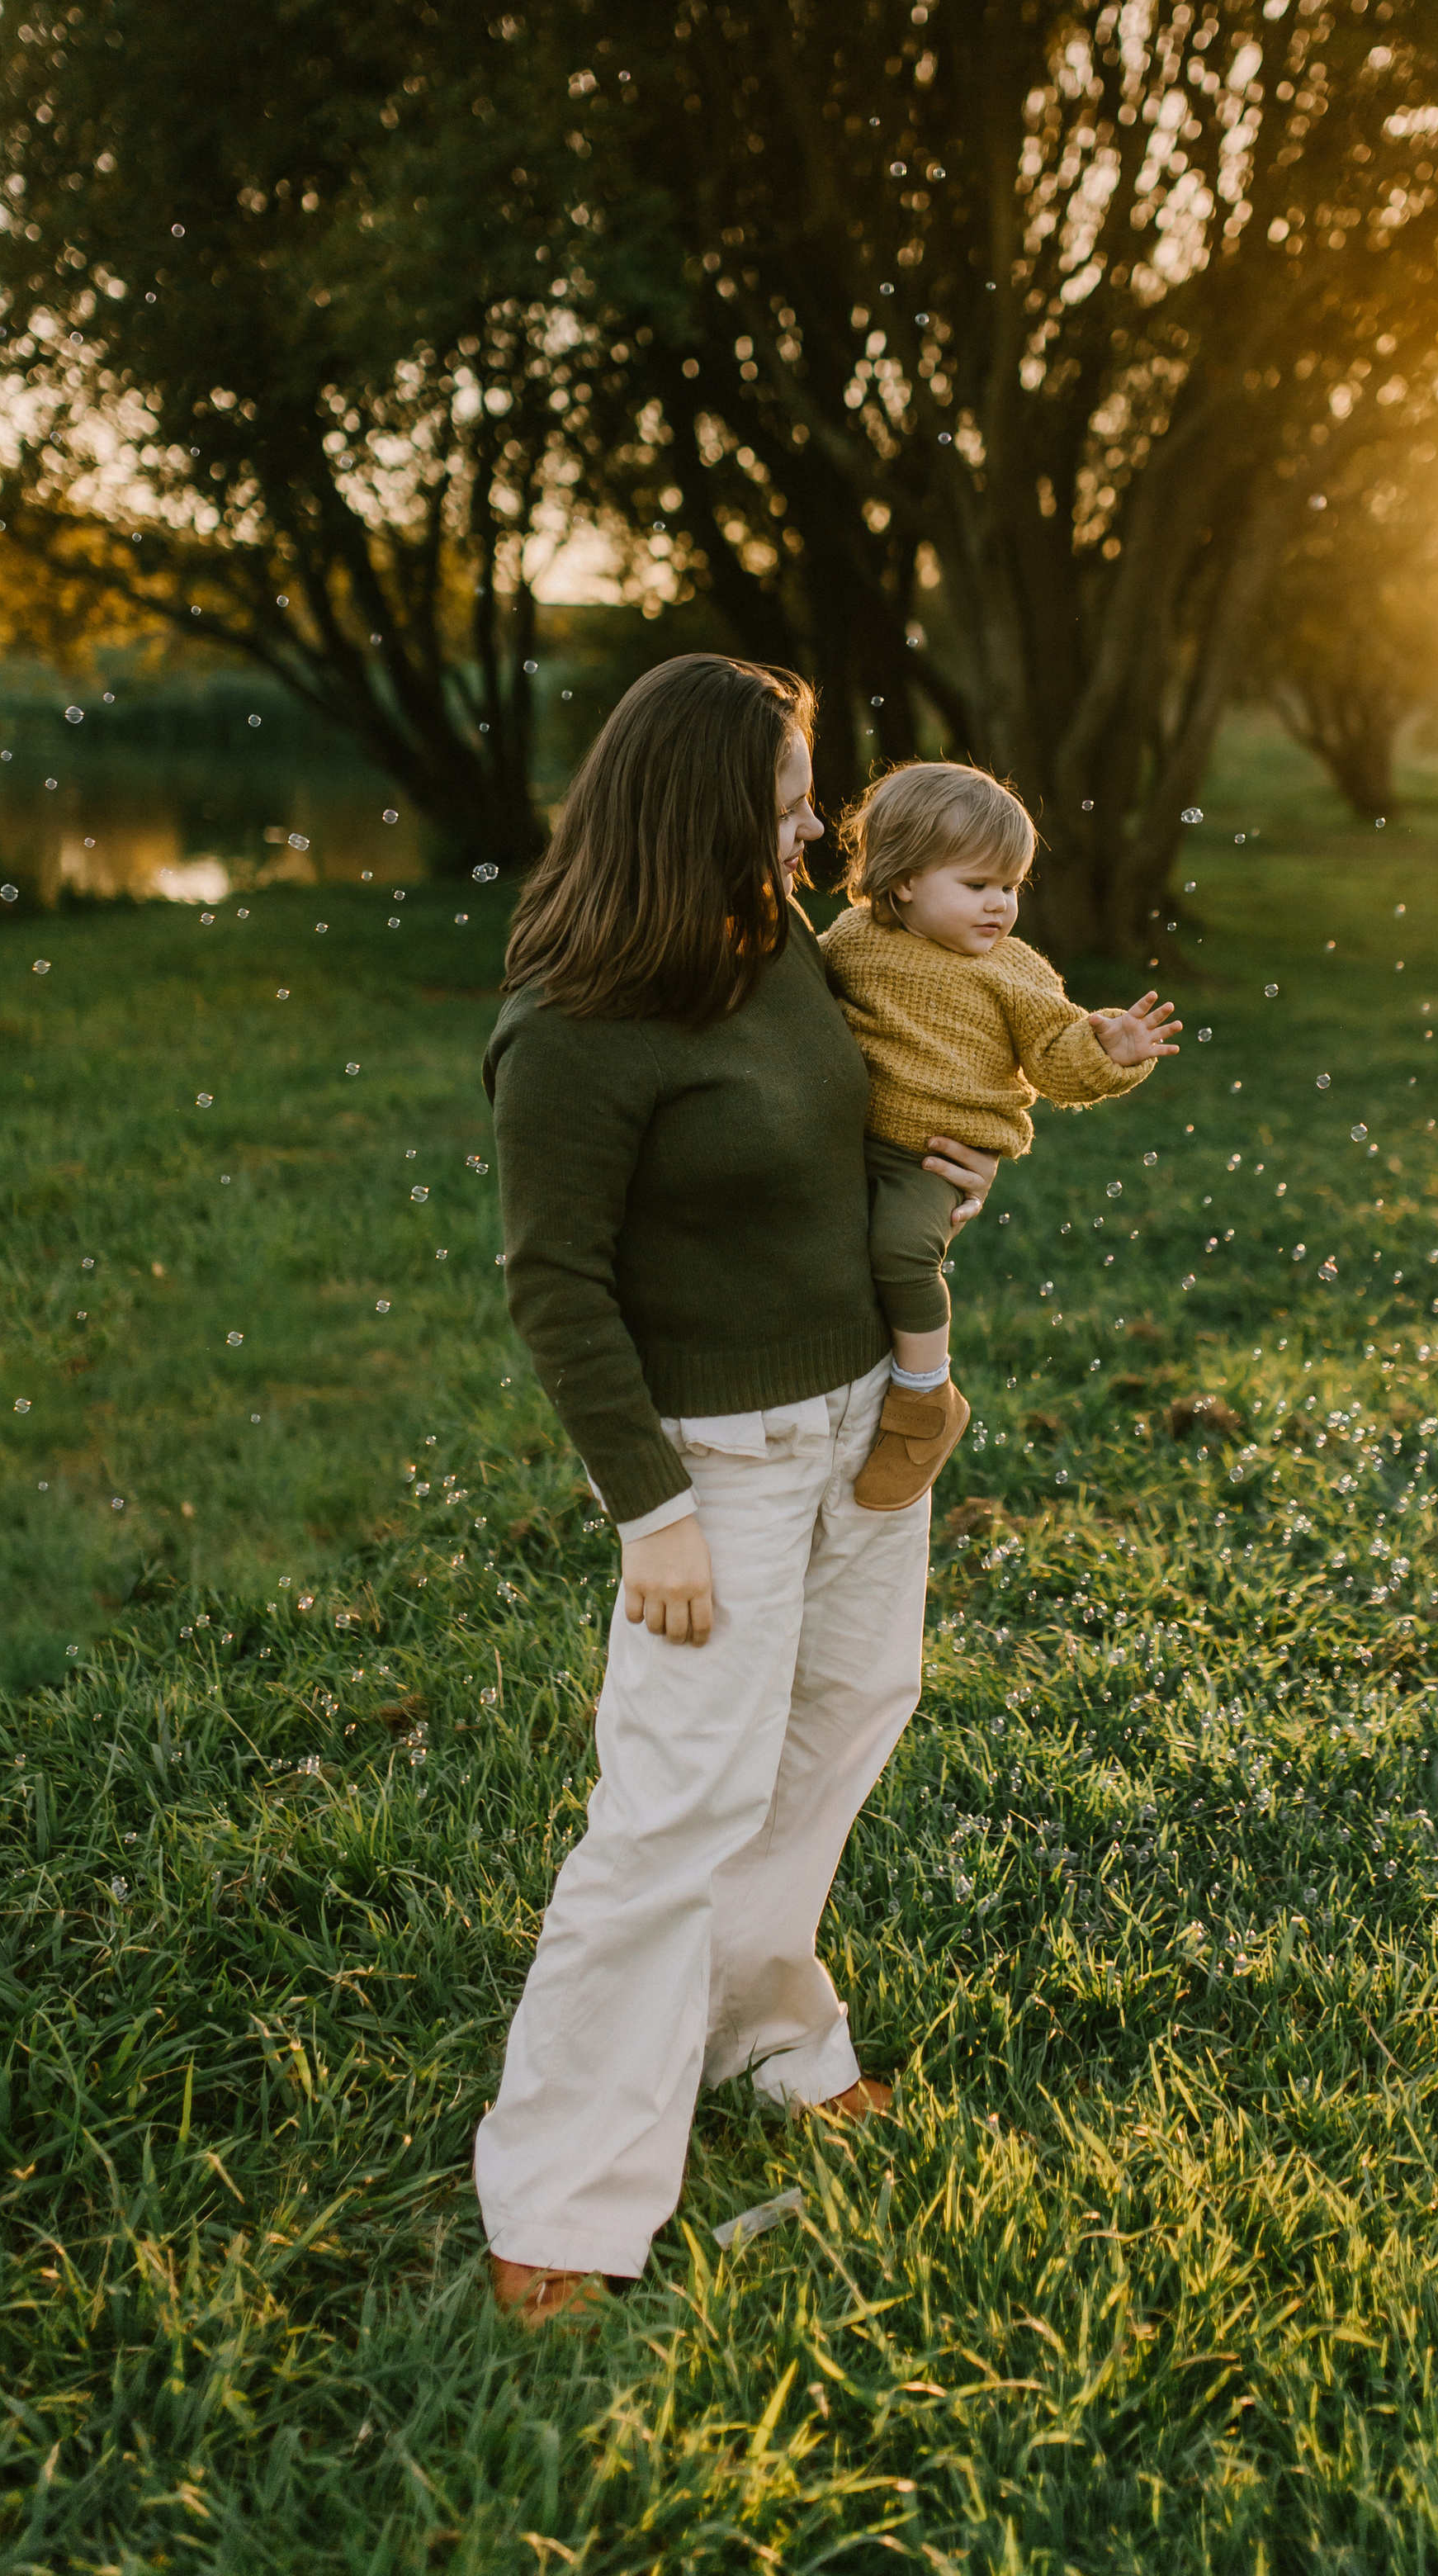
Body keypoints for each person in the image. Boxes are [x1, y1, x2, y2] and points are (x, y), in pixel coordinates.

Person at [472, 656, 997, 2324]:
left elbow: (830, 1146)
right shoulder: (570, 1031)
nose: (811, 823)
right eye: (782, 796)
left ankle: (768, 2032)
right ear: (694, 806)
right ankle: (560, 2195)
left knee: (848, 1708)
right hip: (721, 1466)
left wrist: (935, 1192)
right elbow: (557, 1287)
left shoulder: (775, 950)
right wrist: (654, 1513)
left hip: (859, 1427)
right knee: (672, 1807)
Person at [820, 760, 1180, 1513]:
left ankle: (925, 1401)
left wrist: (1106, 1051)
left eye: (1011, 887)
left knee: (899, 1249)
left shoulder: (1014, 970)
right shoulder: (849, 942)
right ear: (905, 878)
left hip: (937, 1156)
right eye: (979, 886)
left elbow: (1055, 1054)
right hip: (846, 1140)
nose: (1001, 907)